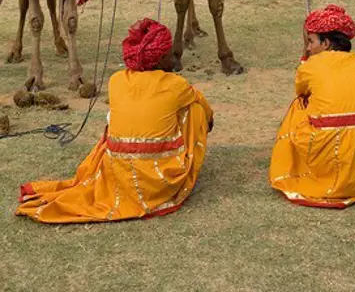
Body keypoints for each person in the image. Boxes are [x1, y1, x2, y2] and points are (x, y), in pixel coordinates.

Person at [16, 18, 213, 223]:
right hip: (156, 181)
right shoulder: (176, 84)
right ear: (160, 57)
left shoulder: (116, 80)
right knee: (195, 109)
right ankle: (172, 173)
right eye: (169, 54)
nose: (173, 58)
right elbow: (207, 111)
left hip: (116, 175)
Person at [269, 5, 355, 209]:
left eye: (311, 42)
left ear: (325, 43)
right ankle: (351, 178)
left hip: (325, 150)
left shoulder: (310, 66)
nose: (308, 48)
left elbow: (301, 90)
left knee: (300, 105)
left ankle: (305, 171)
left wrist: (305, 59)